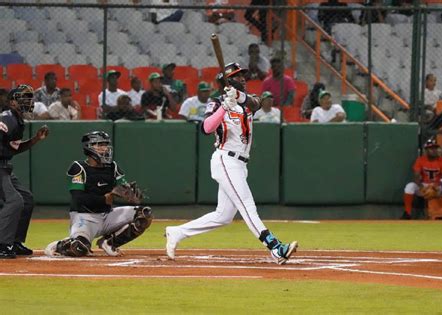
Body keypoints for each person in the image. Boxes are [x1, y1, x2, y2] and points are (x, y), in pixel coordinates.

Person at [165, 62, 298, 265]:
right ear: (226, 81)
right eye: (237, 76)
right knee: (247, 205)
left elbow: (257, 103)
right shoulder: (216, 102)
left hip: (240, 164)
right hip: (225, 159)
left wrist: (237, 98)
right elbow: (206, 128)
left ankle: (177, 232)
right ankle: (275, 248)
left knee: (223, 216)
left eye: (243, 75)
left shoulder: (247, 102)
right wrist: (224, 107)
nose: (243, 78)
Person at [44, 131, 152, 257]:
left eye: (105, 144)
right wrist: (105, 198)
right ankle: (60, 245)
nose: (104, 148)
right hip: (84, 217)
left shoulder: (113, 167)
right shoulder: (79, 167)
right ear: (89, 147)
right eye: (99, 144)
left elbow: (123, 187)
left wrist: (132, 196)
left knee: (144, 214)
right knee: (79, 249)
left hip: (107, 215)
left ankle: (110, 243)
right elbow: (78, 197)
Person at [0, 84, 49, 258]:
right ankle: (2, 244)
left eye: (29, 98)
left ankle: (15, 242)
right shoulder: (7, 118)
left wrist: (35, 140)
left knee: (26, 199)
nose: (28, 101)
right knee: (14, 201)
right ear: (12, 102)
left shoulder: (17, 120)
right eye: (24, 97)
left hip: (4, 166)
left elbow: (13, 149)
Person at [401, 139, 442, 220]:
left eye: (435, 148)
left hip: (438, 186)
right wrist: (421, 187)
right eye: (431, 148)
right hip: (424, 186)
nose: (434, 150)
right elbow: (416, 176)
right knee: (409, 186)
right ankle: (407, 213)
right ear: (426, 150)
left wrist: (437, 185)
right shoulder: (420, 160)